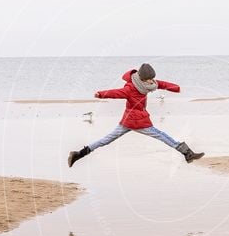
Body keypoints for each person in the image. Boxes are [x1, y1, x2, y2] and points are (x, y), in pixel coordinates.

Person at [68, 63, 204, 167]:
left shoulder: (146, 84)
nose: (152, 82)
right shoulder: (130, 88)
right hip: (137, 121)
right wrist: (101, 94)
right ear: (142, 79)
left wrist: (177, 88)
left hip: (128, 121)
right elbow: (116, 93)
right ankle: (187, 153)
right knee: (162, 136)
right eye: (149, 79)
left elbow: (161, 84)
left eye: (152, 79)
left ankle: (78, 154)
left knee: (106, 140)